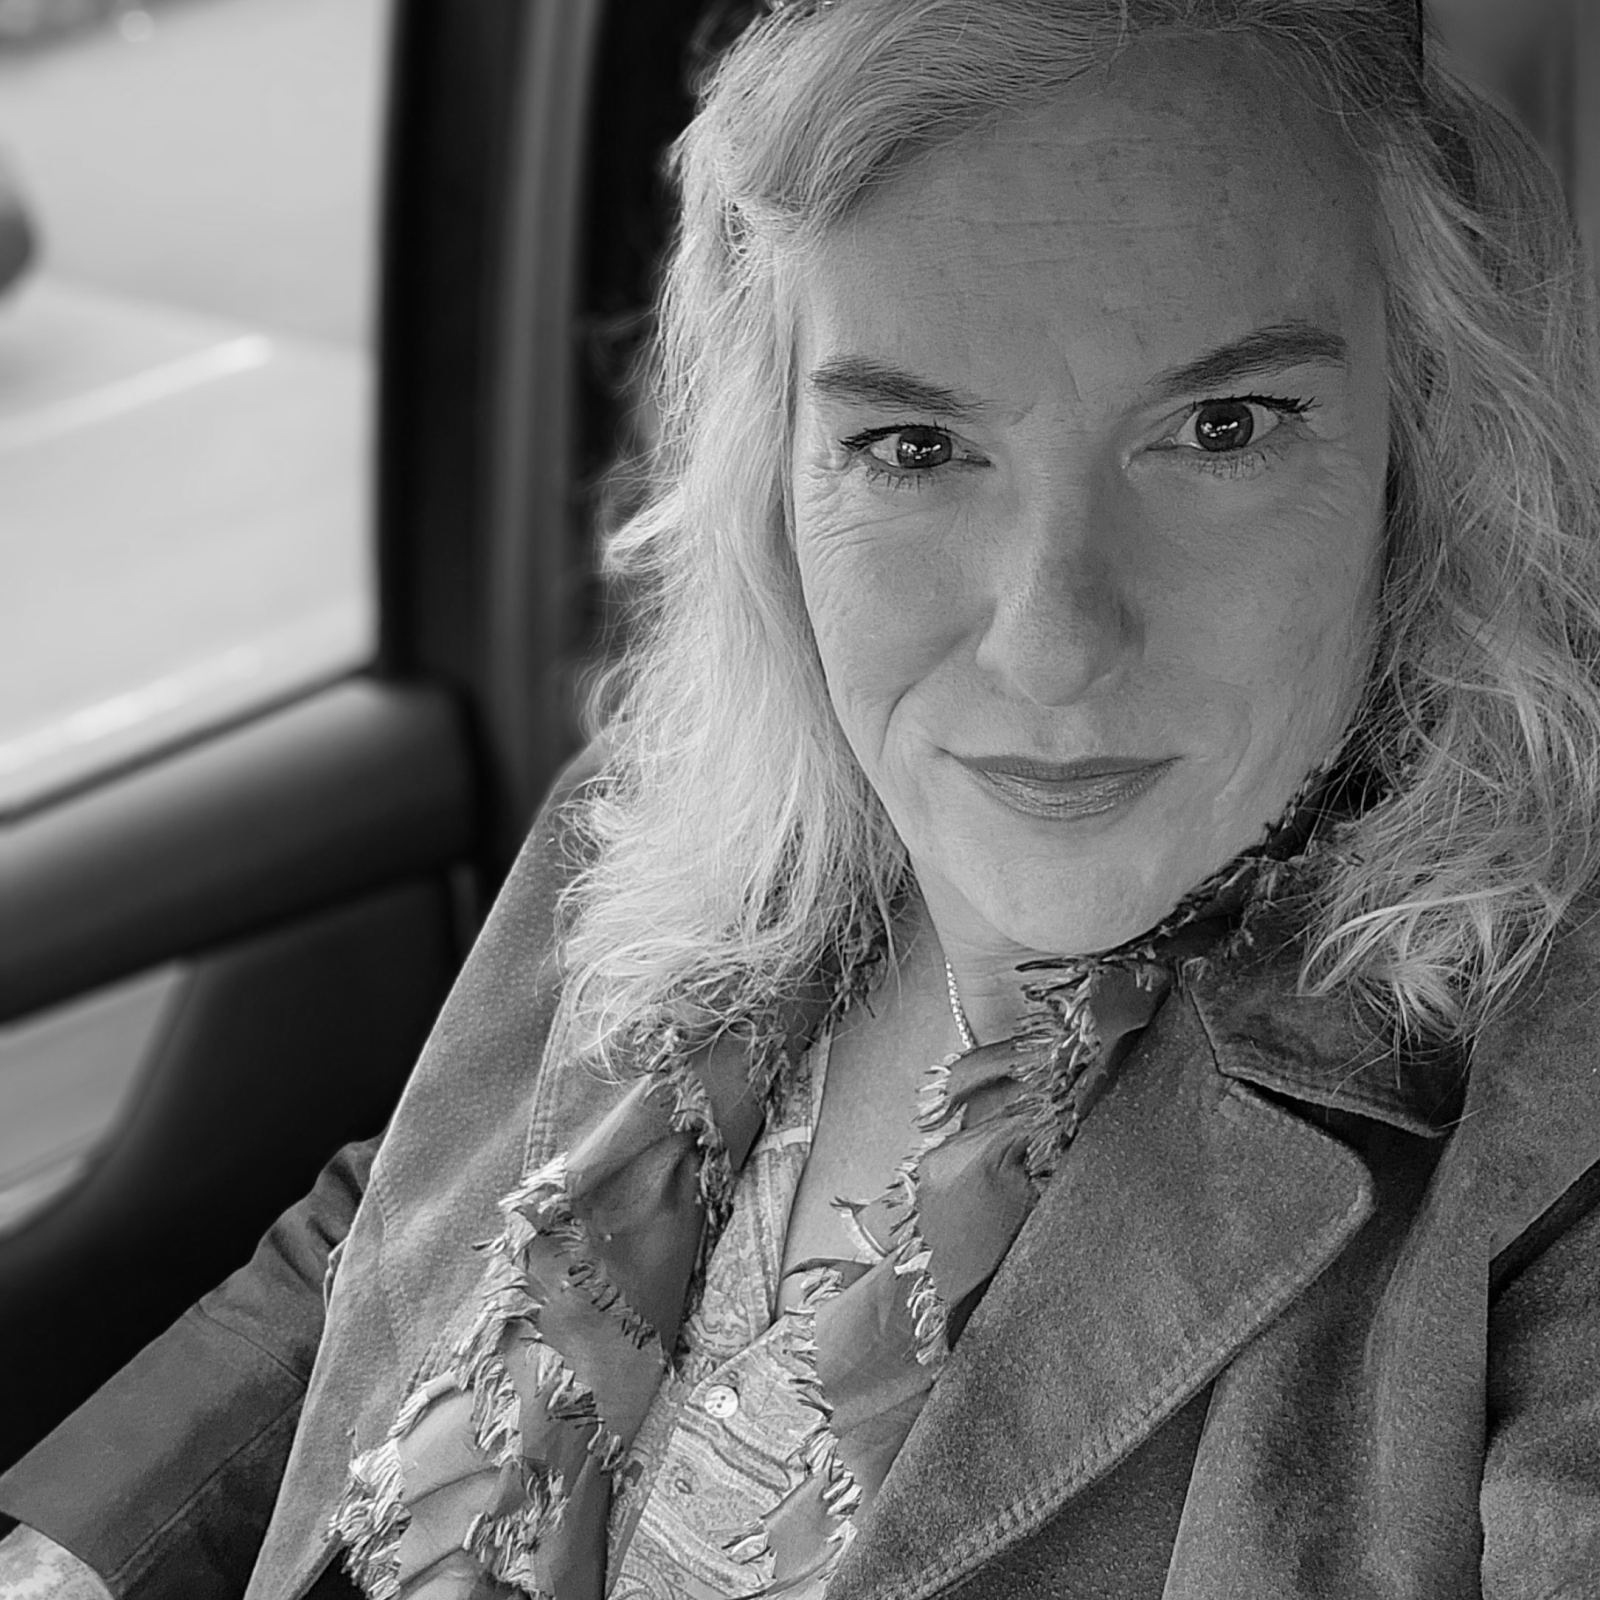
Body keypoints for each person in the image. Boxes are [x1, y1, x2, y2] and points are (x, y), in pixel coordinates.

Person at [6, 0, 1600, 1594]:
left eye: (1222, 428)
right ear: (776, 474)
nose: (1049, 645)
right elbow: (425, 1218)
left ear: (1424, 448)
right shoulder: (683, 800)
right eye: (914, 446)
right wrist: (71, 1556)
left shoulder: (1546, 1160)